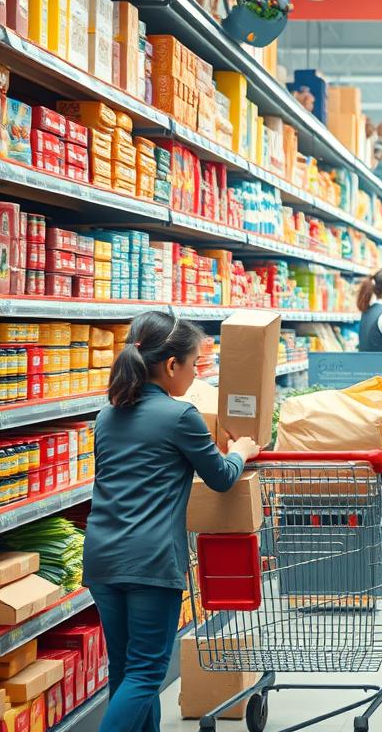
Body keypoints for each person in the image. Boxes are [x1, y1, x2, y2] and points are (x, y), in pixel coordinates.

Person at [83, 312, 261, 732]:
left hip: (103, 557)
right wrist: (242, 451)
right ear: (170, 366)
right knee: (146, 674)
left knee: (126, 671)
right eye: (195, 365)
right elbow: (220, 478)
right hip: (150, 560)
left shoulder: (107, 416)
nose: (197, 374)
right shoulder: (181, 416)